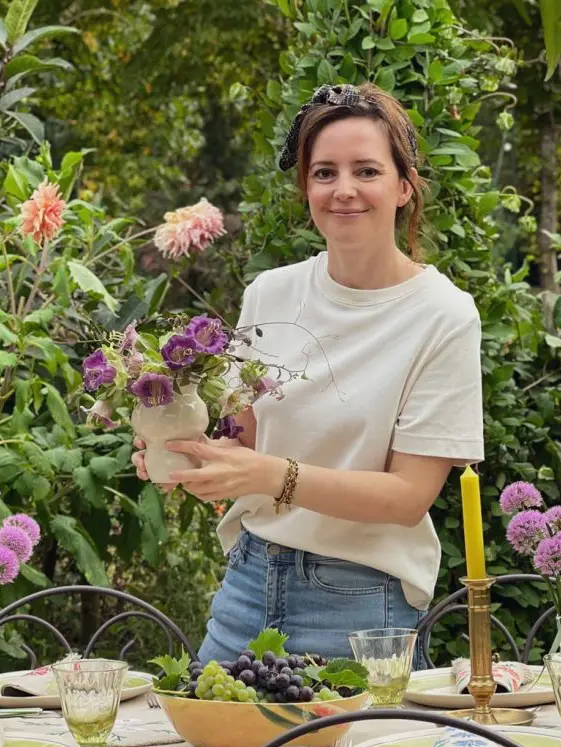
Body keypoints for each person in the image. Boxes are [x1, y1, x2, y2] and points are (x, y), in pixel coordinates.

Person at [134, 82, 484, 667]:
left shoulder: (443, 315)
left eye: (366, 171)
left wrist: (272, 475)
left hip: (361, 601)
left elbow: (408, 496)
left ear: (404, 187)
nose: (343, 189)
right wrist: (178, 453)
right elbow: (240, 442)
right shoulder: (270, 293)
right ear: (306, 189)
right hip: (248, 583)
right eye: (324, 172)